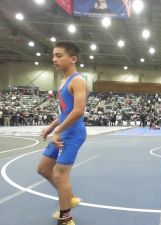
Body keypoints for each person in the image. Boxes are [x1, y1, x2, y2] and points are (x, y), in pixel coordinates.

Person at [37, 42, 88, 225]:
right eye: (53, 56)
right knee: (43, 169)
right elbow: (65, 113)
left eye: (59, 56)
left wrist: (58, 131)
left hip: (73, 134)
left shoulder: (78, 80)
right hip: (63, 131)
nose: (54, 59)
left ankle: (66, 219)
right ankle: (70, 197)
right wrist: (51, 128)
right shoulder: (62, 82)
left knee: (59, 175)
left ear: (73, 59)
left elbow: (78, 111)